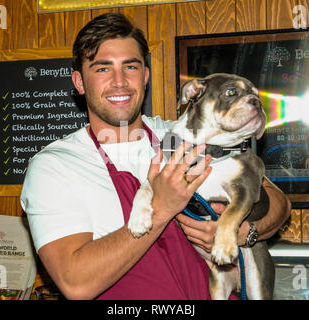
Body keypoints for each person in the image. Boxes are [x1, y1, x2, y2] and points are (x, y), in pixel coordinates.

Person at [20, 13, 291, 300]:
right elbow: (76, 284)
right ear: (79, 82)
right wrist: (161, 207)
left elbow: (278, 203)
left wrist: (242, 230)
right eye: (102, 69)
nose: (120, 81)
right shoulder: (55, 166)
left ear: (146, 76)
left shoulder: (178, 135)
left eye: (131, 66)